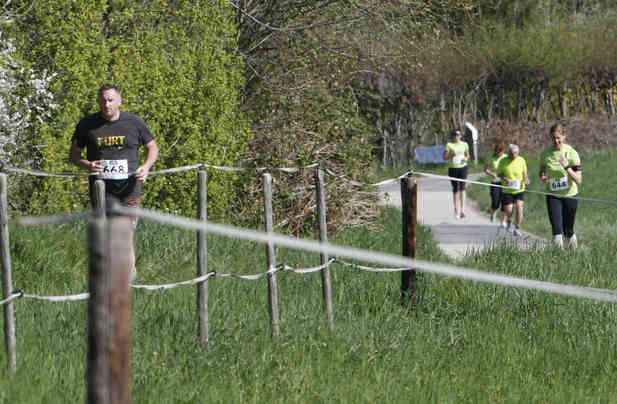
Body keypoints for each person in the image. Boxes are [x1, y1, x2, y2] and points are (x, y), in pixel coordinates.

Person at [70, 84, 159, 280]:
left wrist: (146, 167)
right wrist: (88, 165)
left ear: (120, 101)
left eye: (110, 100)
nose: (106, 104)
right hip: (102, 190)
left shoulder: (134, 122)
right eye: (103, 100)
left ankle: (127, 279)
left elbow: (152, 147)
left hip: (129, 189)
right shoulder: (87, 124)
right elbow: (74, 155)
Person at [539, 123, 582, 249]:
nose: (556, 141)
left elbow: (578, 180)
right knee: (557, 232)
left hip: (570, 195)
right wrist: (543, 176)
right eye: (553, 138)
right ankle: (558, 257)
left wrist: (567, 167)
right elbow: (542, 171)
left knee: (568, 231)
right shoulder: (545, 154)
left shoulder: (571, 153)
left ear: (564, 136)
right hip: (553, 195)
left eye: (558, 138)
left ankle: (573, 256)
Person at [497, 144, 529, 236]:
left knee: (519, 208)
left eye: (515, 153)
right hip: (508, 190)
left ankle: (517, 227)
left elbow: (525, 173)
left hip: (519, 189)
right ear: (508, 153)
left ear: (518, 153)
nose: (513, 155)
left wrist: (526, 179)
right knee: (509, 210)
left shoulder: (521, 160)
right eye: (511, 153)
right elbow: (499, 174)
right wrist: (505, 179)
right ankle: (509, 221)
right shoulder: (503, 161)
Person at [443, 129, 470, 218]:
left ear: (460, 136)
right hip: (453, 169)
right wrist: (451, 155)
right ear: (453, 137)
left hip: (463, 168)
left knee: (462, 188)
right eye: (455, 135)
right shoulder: (449, 145)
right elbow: (444, 157)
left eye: (458, 135)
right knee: (455, 189)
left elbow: (467, 155)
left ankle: (463, 210)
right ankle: (456, 211)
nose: (456, 137)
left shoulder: (464, 144)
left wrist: (466, 159)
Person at [483, 143, 507, 223]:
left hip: (505, 183)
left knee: (505, 201)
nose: (499, 153)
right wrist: (491, 174)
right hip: (495, 182)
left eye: (501, 151)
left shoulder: (506, 157)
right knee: (495, 201)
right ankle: (493, 214)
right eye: (498, 151)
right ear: (495, 151)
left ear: (503, 151)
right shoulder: (491, 158)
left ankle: (503, 220)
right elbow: (485, 170)